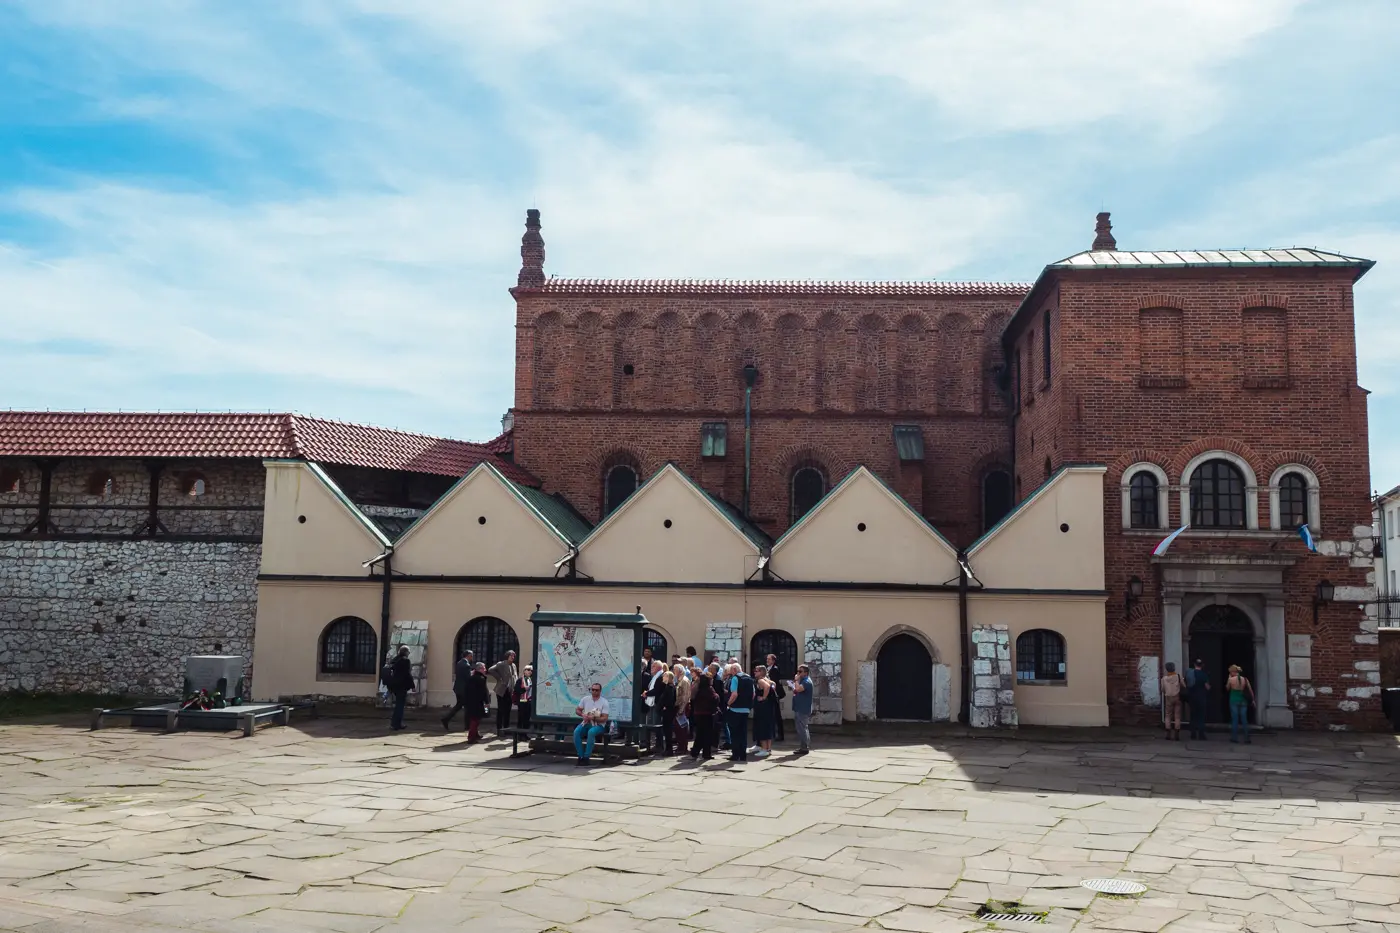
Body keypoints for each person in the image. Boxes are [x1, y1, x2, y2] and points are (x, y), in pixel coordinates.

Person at [574, 682, 610, 765]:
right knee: (576, 732)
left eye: (596, 690)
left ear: (600, 691)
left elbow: (605, 718)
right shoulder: (585, 699)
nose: (594, 692)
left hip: (599, 725)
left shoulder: (604, 702)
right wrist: (583, 715)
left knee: (591, 732)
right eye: (592, 690)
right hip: (586, 722)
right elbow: (577, 710)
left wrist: (594, 718)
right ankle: (580, 756)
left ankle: (586, 757)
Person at [726, 662, 755, 763]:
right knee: (743, 733)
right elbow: (753, 694)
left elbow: (734, 694)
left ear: (734, 670)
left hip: (735, 709)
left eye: (731, 671)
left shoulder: (735, 678)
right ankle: (743, 755)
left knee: (734, 733)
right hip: (745, 709)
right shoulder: (749, 678)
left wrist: (728, 704)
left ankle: (735, 754)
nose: (731, 673)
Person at [441, 648, 474, 731]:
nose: (472, 658)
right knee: (468, 708)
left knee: (459, 706)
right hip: (464, 690)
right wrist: (472, 673)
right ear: (469, 656)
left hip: (458, 688)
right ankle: (467, 726)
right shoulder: (467, 665)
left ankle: (446, 719)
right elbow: (468, 678)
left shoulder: (459, 663)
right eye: (471, 656)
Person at [688, 671, 720, 760]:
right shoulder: (709, 689)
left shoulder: (698, 688)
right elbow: (715, 698)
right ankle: (706, 753)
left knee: (700, 734)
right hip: (707, 714)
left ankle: (695, 752)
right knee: (707, 735)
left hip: (698, 713)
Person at [639, 660, 666, 753]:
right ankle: (656, 745)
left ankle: (659, 746)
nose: (651, 668)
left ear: (658, 667)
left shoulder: (660, 676)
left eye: (653, 667)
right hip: (653, 703)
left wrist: (647, 693)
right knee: (653, 724)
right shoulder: (656, 676)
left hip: (657, 704)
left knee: (657, 725)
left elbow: (657, 690)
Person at [489, 651, 518, 734]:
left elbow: (514, 676)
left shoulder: (513, 665)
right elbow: (491, 670)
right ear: (507, 656)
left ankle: (506, 728)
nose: (513, 657)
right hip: (502, 690)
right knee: (501, 710)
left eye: (514, 656)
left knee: (508, 710)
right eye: (511, 656)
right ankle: (499, 729)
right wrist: (499, 678)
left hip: (510, 690)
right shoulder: (501, 664)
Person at [386, 646, 414, 731]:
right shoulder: (405, 661)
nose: (409, 653)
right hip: (402, 685)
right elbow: (407, 674)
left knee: (398, 704)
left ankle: (396, 723)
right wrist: (413, 686)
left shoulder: (395, 660)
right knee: (400, 706)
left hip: (394, 685)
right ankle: (396, 724)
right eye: (408, 652)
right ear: (405, 652)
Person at [1225, 664, 1255, 744]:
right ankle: (1246, 737)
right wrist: (1253, 700)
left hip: (1234, 700)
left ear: (1232, 672)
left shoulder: (1231, 680)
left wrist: (1229, 679)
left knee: (1235, 719)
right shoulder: (1244, 679)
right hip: (1243, 701)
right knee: (1244, 719)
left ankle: (1234, 737)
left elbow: (1227, 688)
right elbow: (1250, 690)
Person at [750, 664, 774, 759]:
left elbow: (767, 687)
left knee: (762, 726)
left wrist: (763, 697)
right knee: (767, 726)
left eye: (756, 671)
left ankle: (764, 749)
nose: (754, 672)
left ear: (761, 672)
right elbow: (773, 684)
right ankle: (767, 748)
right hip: (767, 706)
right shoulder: (767, 679)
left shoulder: (760, 680)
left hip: (762, 707)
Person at [790, 663, 814, 755]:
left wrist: (796, 681)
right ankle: (803, 746)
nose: (798, 673)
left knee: (802, 728)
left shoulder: (806, 681)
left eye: (800, 671)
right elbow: (796, 689)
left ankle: (804, 747)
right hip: (799, 707)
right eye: (797, 671)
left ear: (806, 673)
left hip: (803, 708)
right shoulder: (802, 680)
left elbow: (799, 689)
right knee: (801, 728)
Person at [464, 661, 490, 743]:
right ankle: (471, 737)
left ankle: (475, 734)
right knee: (475, 719)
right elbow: (484, 692)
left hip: (471, 702)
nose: (485, 670)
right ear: (480, 669)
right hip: (478, 702)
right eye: (484, 668)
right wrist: (487, 702)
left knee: (476, 718)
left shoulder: (472, 677)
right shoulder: (480, 679)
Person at [1185, 658, 1210, 740]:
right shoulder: (1203, 674)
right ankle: (1201, 734)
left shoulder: (1189, 673)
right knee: (1201, 716)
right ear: (1202, 665)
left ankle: (1193, 733)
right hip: (1201, 697)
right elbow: (1207, 687)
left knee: (1193, 715)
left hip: (1192, 697)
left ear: (1195, 665)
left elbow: (1186, 683)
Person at [1160, 661, 1184, 741]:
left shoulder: (1164, 679)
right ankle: (1177, 734)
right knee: (1177, 716)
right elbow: (1184, 685)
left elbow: (1162, 689)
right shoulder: (1178, 676)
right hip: (1177, 697)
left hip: (1168, 698)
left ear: (1167, 669)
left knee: (1168, 715)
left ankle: (1168, 733)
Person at [765, 653, 786, 743]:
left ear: (773, 661)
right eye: (767, 659)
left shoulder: (775, 669)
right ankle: (772, 733)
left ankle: (780, 734)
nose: (767, 660)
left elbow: (774, 682)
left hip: (775, 694)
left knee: (777, 715)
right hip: (771, 694)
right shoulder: (768, 669)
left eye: (769, 659)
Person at [671, 663, 692, 753]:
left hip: (682, 707)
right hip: (678, 706)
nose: (673, 672)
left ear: (679, 671)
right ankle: (680, 745)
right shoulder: (679, 680)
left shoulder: (684, 680)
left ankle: (683, 747)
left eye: (675, 670)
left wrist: (681, 709)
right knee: (677, 728)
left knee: (682, 728)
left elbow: (686, 696)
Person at [657, 670, 678, 755]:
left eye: (665, 676)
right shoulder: (666, 686)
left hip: (668, 712)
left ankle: (669, 750)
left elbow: (669, 700)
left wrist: (664, 707)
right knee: (666, 730)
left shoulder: (670, 687)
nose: (663, 677)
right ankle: (668, 749)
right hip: (667, 711)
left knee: (668, 731)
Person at [514, 664, 534, 729]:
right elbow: (517, 690)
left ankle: (525, 734)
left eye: (531, 670)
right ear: (524, 671)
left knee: (527, 717)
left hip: (529, 700)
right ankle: (520, 733)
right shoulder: (520, 680)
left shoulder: (530, 679)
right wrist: (524, 689)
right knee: (522, 717)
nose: (530, 671)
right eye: (528, 670)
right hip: (522, 700)